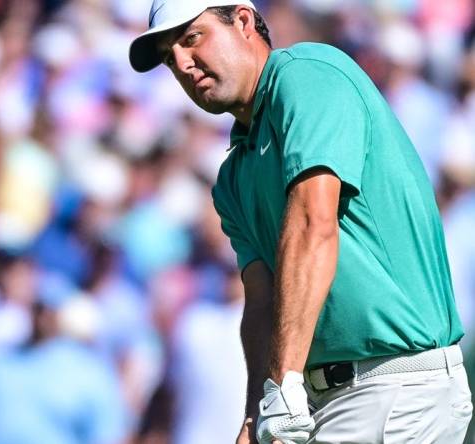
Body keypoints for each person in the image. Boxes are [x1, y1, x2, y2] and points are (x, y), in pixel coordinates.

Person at [129, 1, 472, 443]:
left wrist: (284, 385)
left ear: (244, 20)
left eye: (192, 38)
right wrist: (257, 412)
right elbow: (262, 301)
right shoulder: (233, 176)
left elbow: (314, 220)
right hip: (326, 399)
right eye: (168, 56)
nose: (181, 63)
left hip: (394, 387)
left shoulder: (306, 74)